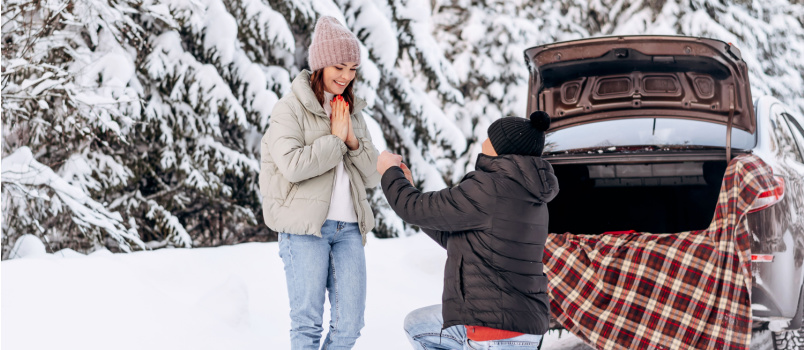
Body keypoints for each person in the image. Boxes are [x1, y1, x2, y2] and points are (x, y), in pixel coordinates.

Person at [377, 111, 559, 350]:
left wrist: (390, 172)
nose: (484, 141)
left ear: (500, 146)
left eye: (490, 137)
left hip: (493, 331)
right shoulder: (530, 195)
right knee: (418, 325)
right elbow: (460, 236)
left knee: (420, 328)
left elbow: (413, 209)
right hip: (525, 325)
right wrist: (408, 188)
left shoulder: (489, 187)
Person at [260, 16, 380, 350]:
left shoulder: (352, 111)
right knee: (307, 326)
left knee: (350, 325)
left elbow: (371, 177)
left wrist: (353, 141)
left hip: (350, 229)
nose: (346, 76)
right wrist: (335, 139)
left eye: (353, 68)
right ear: (320, 65)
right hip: (305, 231)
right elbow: (293, 166)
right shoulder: (289, 109)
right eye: (339, 66)